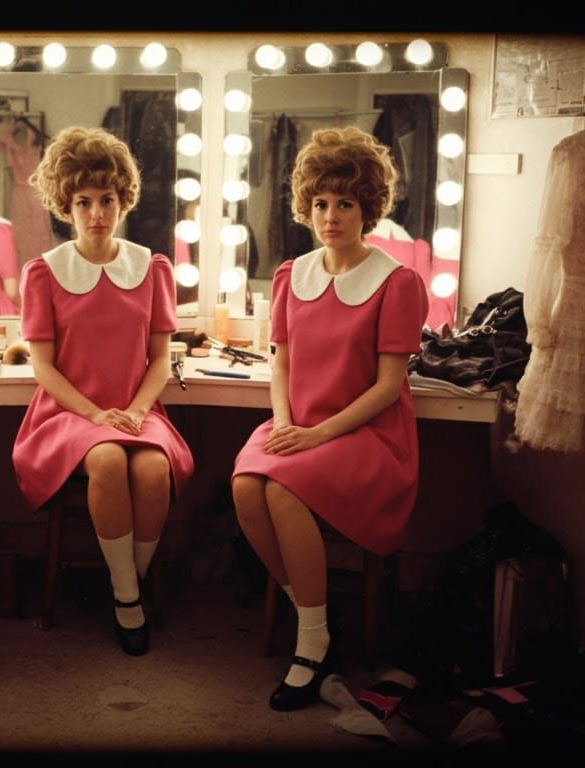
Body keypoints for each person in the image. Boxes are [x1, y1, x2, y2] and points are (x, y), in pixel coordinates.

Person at [230, 126, 428, 711]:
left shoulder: (397, 282)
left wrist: (314, 434)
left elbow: (389, 388)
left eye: (345, 203)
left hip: (367, 437)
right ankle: (315, 615)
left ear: (367, 208)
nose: (331, 216)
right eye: (320, 203)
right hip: (302, 425)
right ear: (306, 206)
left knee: (284, 491)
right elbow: (280, 366)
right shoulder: (294, 275)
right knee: (246, 485)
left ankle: (311, 645)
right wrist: (284, 424)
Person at [11, 126, 194, 656]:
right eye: (84, 202)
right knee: (109, 461)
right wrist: (97, 415)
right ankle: (127, 598)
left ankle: (127, 580)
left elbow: (161, 358)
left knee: (153, 466)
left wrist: (135, 410)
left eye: (107, 200)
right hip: (68, 414)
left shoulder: (151, 267)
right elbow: (42, 368)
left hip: (137, 409)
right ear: (65, 205)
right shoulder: (44, 273)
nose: (97, 213)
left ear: (123, 200)